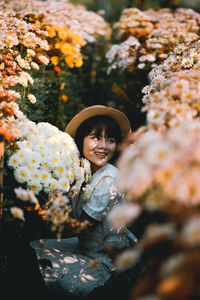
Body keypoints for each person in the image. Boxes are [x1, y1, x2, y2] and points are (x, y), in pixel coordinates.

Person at [30, 105, 137, 298]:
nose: (104, 146)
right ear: (81, 140)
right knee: (34, 249)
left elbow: (79, 227)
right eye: (96, 137)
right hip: (86, 246)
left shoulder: (109, 180)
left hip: (104, 260)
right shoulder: (83, 170)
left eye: (111, 140)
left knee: (40, 267)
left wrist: (42, 214)